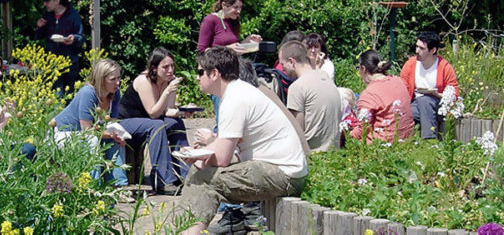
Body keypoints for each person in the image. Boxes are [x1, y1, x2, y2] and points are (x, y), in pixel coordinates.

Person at [178, 47, 307, 234]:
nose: (197, 77)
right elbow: (224, 144)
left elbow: (221, 158)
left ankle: (188, 231)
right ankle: (186, 229)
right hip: (280, 168)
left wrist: (200, 158)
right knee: (199, 171)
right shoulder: (237, 91)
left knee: (205, 179)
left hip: (283, 174)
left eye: (200, 72)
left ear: (214, 74)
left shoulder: (234, 99)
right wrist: (198, 155)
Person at [118, 47, 190, 194]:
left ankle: (184, 174)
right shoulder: (143, 81)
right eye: (165, 67)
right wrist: (168, 91)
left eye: (172, 66)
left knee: (176, 123)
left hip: (148, 120)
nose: (170, 70)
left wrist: (183, 112)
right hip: (126, 121)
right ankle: (163, 180)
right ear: (154, 68)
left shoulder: (168, 81)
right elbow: (153, 113)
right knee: (156, 126)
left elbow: (168, 110)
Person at [53, 59, 128, 186]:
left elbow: (112, 124)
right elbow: (87, 129)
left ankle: (118, 185)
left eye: (119, 78)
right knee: (92, 140)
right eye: (112, 79)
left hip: (86, 134)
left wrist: (117, 135)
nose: (118, 82)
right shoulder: (88, 93)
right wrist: (110, 134)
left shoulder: (115, 93)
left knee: (116, 142)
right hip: (65, 133)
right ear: (101, 79)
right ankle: (94, 185)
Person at [282, 41, 342, 152]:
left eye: (283, 64)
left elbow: (297, 132)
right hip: (334, 153)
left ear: (291, 62)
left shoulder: (297, 87)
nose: (283, 69)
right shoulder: (325, 77)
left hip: (312, 156)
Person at [400, 31, 459, 139]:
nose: (417, 51)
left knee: (425, 100)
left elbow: (454, 93)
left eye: (421, 48)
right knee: (405, 113)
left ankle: (429, 139)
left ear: (433, 50)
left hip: (438, 104)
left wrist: (437, 94)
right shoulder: (410, 65)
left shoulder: (444, 67)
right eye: (417, 47)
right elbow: (403, 88)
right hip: (416, 104)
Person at [350, 50, 414, 143]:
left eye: (358, 68)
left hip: (383, 142)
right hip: (407, 139)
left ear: (363, 69)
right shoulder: (398, 81)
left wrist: (347, 136)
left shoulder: (369, 93)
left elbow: (363, 128)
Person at [34, 0, 85, 95]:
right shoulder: (47, 15)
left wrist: (73, 38)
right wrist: (39, 27)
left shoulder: (73, 15)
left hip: (70, 60)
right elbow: (38, 37)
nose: (45, 4)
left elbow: (81, 36)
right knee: (56, 94)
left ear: (57, 1)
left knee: (69, 93)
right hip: (52, 60)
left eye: (47, 1)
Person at [196, 0, 262, 54]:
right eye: (235, 7)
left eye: (240, 7)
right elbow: (202, 51)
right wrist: (227, 49)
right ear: (224, 5)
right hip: (214, 64)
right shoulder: (210, 20)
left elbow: (234, 51)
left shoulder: (234, 21)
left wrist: (247, 42)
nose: (239, 11)